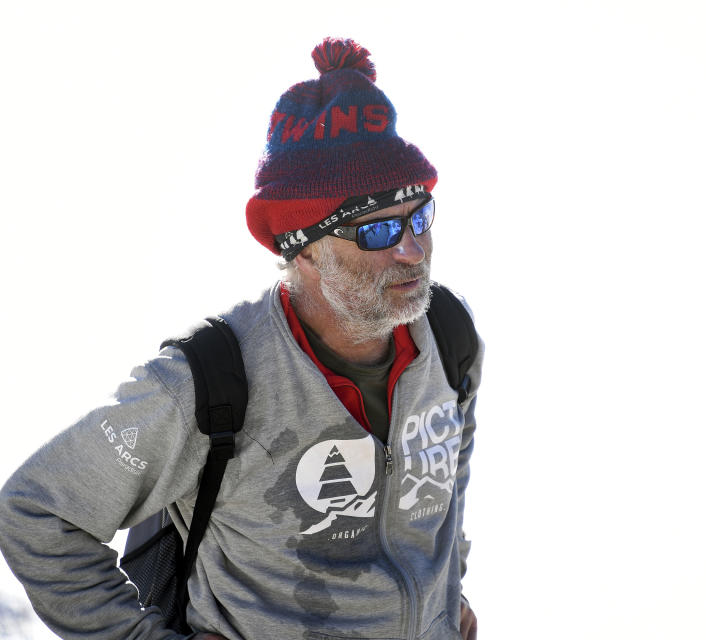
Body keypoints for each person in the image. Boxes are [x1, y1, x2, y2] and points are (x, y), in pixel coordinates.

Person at [0, 37, 482, 640]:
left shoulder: (449, 335)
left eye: (419, 216)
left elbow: (445, 484)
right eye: (379, 228)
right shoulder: (208, 382)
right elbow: (37, 512)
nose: (413, 249)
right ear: (302, 249)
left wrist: (445, 591)